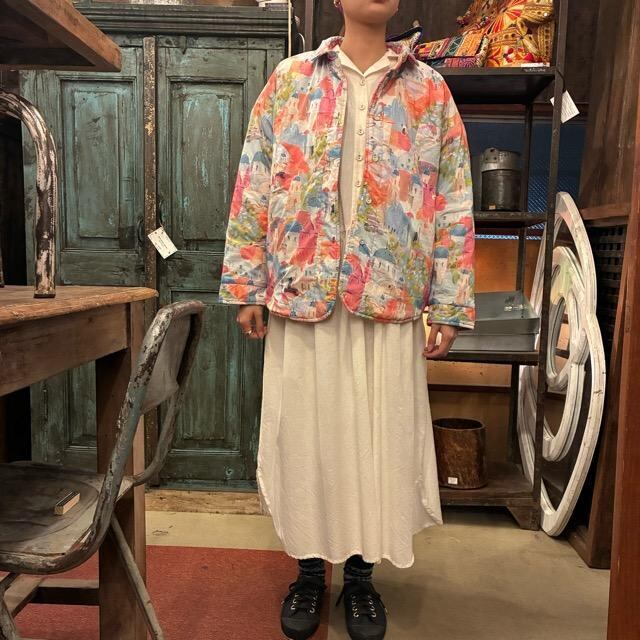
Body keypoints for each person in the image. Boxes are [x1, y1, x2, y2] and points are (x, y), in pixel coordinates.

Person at [219, 1, 475, 638]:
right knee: (308, 439)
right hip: (304, 292)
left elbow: (452, 200)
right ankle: (310, 573)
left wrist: (449, 302)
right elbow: (255, 182)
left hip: (386, 297)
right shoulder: (291, 79)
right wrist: (248, 283)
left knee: (375, 443)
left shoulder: (430, 91)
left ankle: (361, 578)